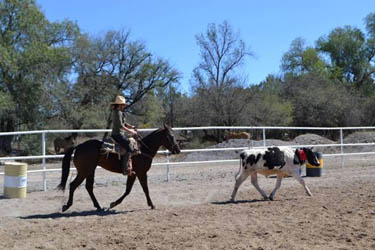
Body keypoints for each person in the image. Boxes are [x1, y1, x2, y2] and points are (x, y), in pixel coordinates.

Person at [110, 95, 137, 175]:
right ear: (120, 105)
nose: (124, 106)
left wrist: (132, 127)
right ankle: (125, 169)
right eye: (123, 105)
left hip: (119, 133)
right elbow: (121, 126)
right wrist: (131, 131)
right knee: (129, 147)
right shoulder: (117, 113)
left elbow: (124, 123)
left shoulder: (119, 112)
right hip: (117, 134)